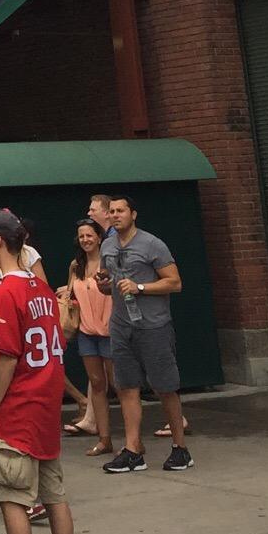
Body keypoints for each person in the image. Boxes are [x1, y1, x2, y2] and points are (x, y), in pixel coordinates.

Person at [0, 210, 75, 534]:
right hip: (45, 403)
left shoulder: (6, 291)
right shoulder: (41, 287)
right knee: (55, 496)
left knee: (13, 498)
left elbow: (7, 357)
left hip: (19, 407)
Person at [96, 194, 188, 473]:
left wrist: (141, 287)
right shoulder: (107, 245)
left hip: (153, 325)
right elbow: (107, 282)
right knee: (126, 385)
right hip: (121, 324)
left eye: (120, 211)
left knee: (165, 387)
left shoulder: (152, 244)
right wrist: (103, 284)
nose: (115, 215)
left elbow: (175, 282)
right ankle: (133, 449)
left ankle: (180, 448)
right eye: (112, 211)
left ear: (133, 214)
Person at [59, 220, 112, 455]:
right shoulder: (76, 265)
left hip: (110, 330)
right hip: (87, 331)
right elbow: (72, 293)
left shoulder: (109, 262)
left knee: (119, 384)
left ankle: (132, 439)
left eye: (89, 235)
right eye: (81, 236)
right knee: (97, 383)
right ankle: (104, 439)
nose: (85, 240)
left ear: (99, 237)